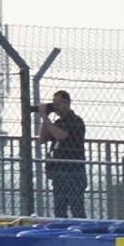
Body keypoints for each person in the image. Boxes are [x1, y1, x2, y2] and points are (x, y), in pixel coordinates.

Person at [38, 88, 87, 218]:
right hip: (59, 170)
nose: (56, 107)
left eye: (58, 103)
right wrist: (45, 117)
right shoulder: (58, 122)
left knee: (77, 208)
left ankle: (80, 228)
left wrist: (45, 118)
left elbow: (61, 136)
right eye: (54, 103)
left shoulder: (75, 121)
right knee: (59, 209)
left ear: (67, 103)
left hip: (73, 171)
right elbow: (42, 139)